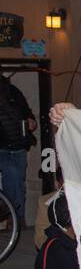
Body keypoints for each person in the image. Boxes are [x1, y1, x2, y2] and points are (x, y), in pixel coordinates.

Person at [0, 70, 36, 228]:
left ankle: (14, 221)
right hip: (8, 146)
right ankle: (16, 220)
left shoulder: (12, 91)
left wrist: (30, 121)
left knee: (16, 183)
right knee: (14, 182)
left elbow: (27, 113)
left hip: (17, 145)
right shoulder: (12, 90)